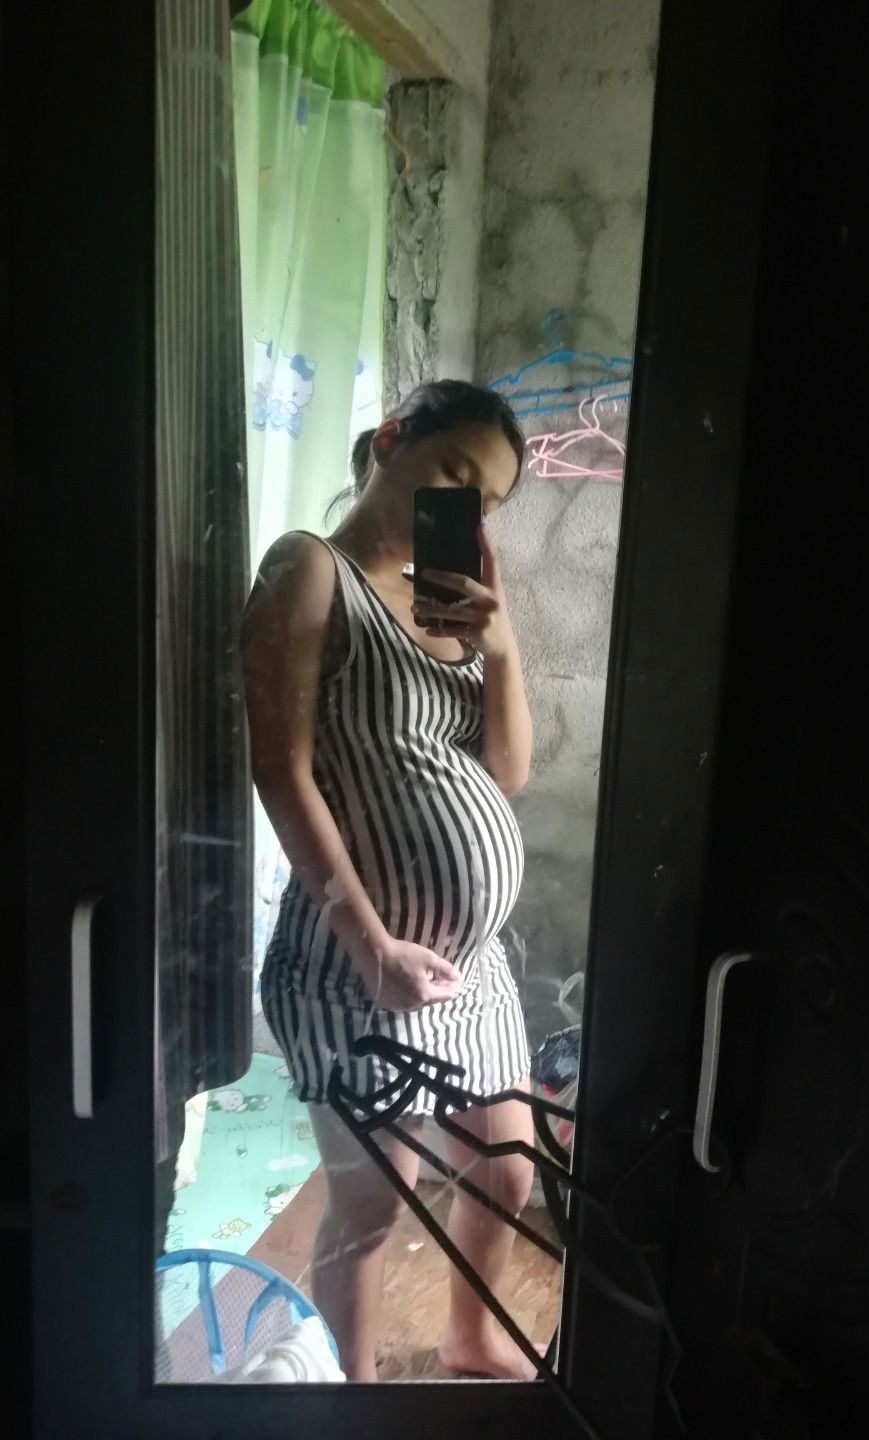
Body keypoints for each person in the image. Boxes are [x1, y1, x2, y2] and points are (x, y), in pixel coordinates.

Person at [241, 380, 538, 1382]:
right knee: (374, 1203)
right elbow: (280, 771)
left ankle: (469, 1336)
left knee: (505, 1169)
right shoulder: (308, 570)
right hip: (354, 963)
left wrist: (501, 644)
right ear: (388, 440)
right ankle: (354, 1397)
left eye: (486, 501)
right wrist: (370, 947)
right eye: (455, 473)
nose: (468, 508)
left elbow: (507, 770)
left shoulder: (450, 600)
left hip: (470, 970)